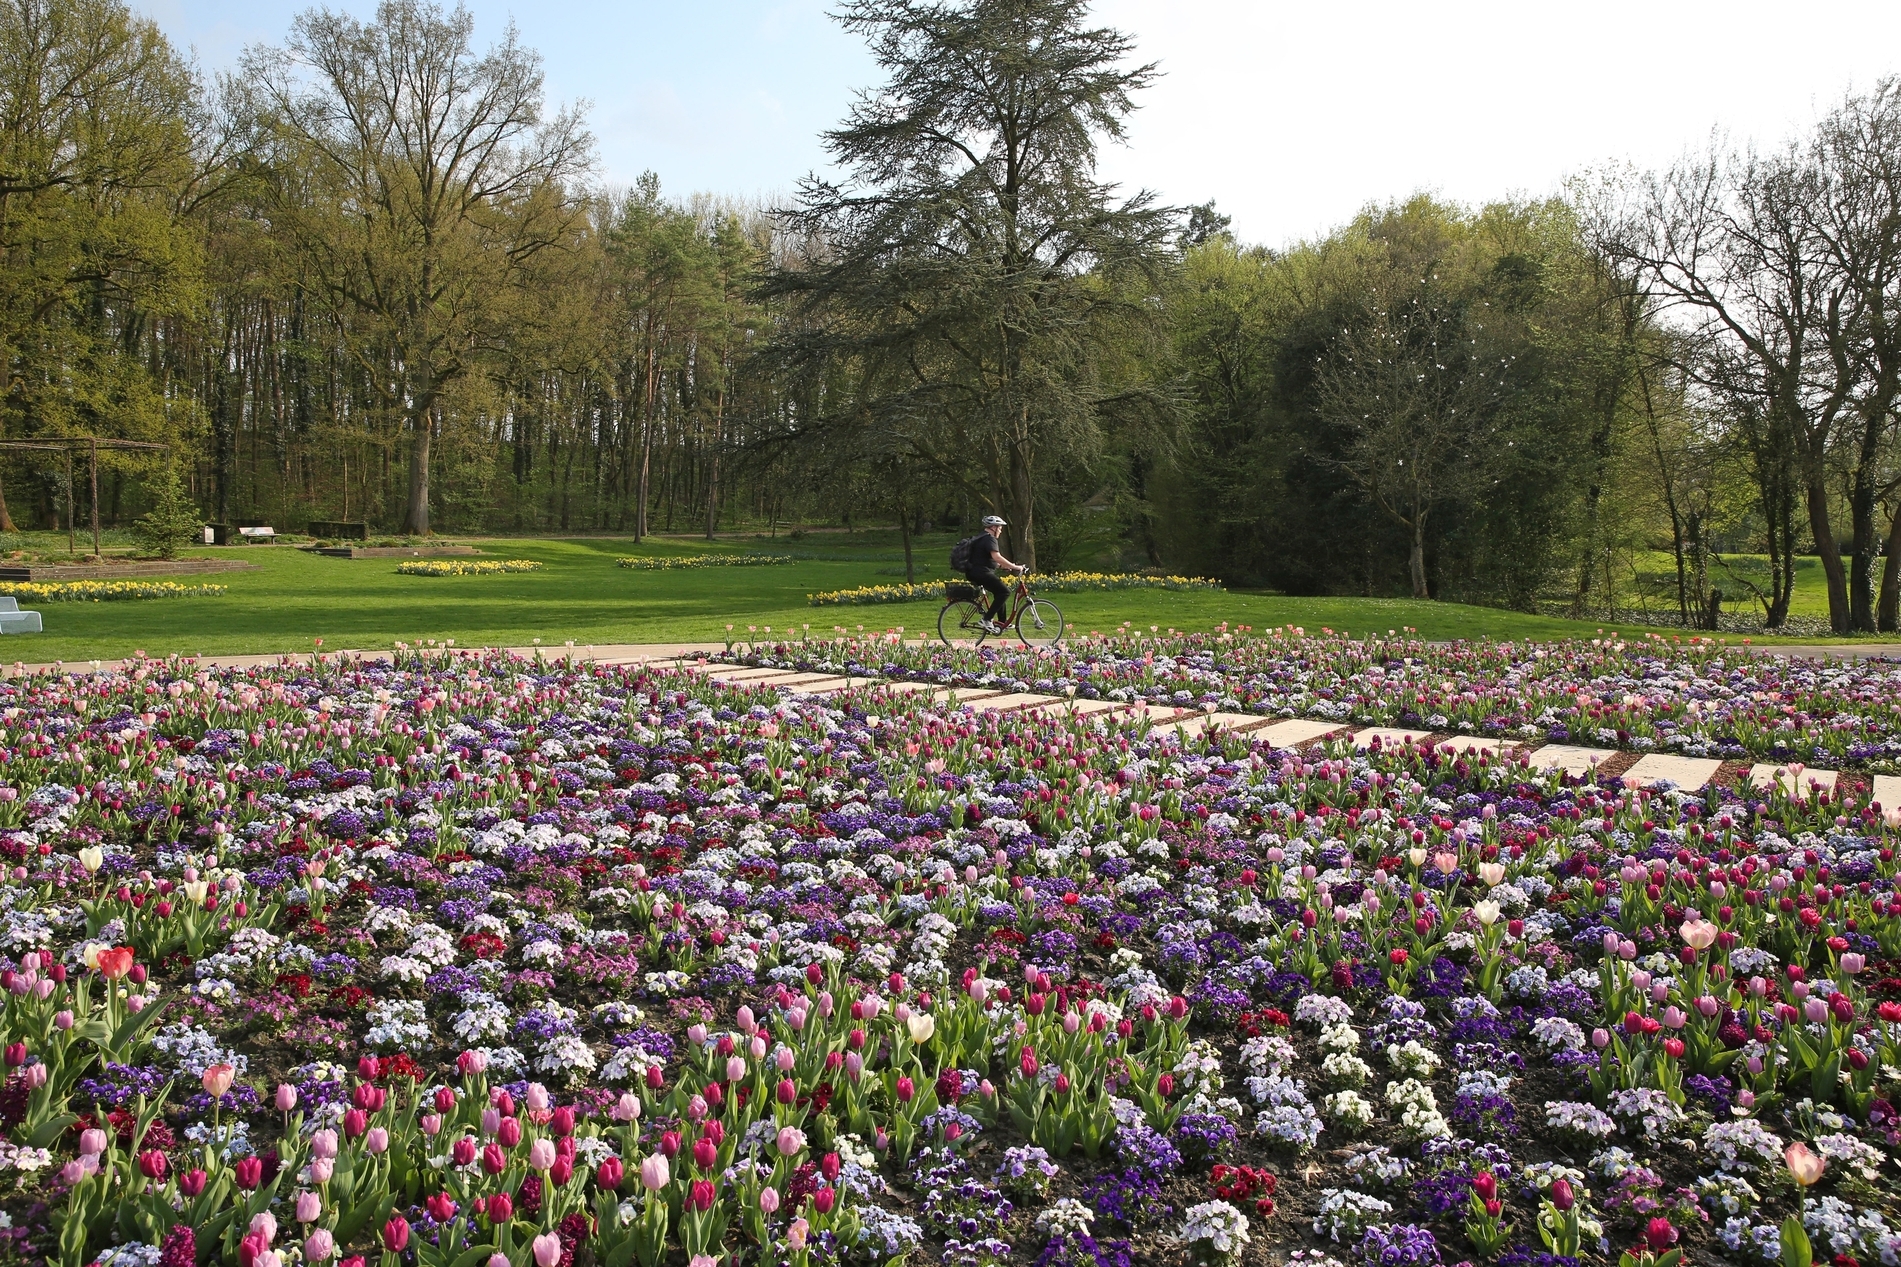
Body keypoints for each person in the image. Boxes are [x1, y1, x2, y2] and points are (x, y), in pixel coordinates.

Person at [964, 514, 1026, 633]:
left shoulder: (980, 537)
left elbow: (983, 559)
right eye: (1000, 528)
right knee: (1005, 592)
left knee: (999, 592)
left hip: (974, 572)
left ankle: (1002, 623)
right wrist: (1015, 567)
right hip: (981, 573)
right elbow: (996, 557)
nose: (1001, 531)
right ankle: (986, 619)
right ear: (994, 527)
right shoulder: (990, 539)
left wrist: (1002, 566)